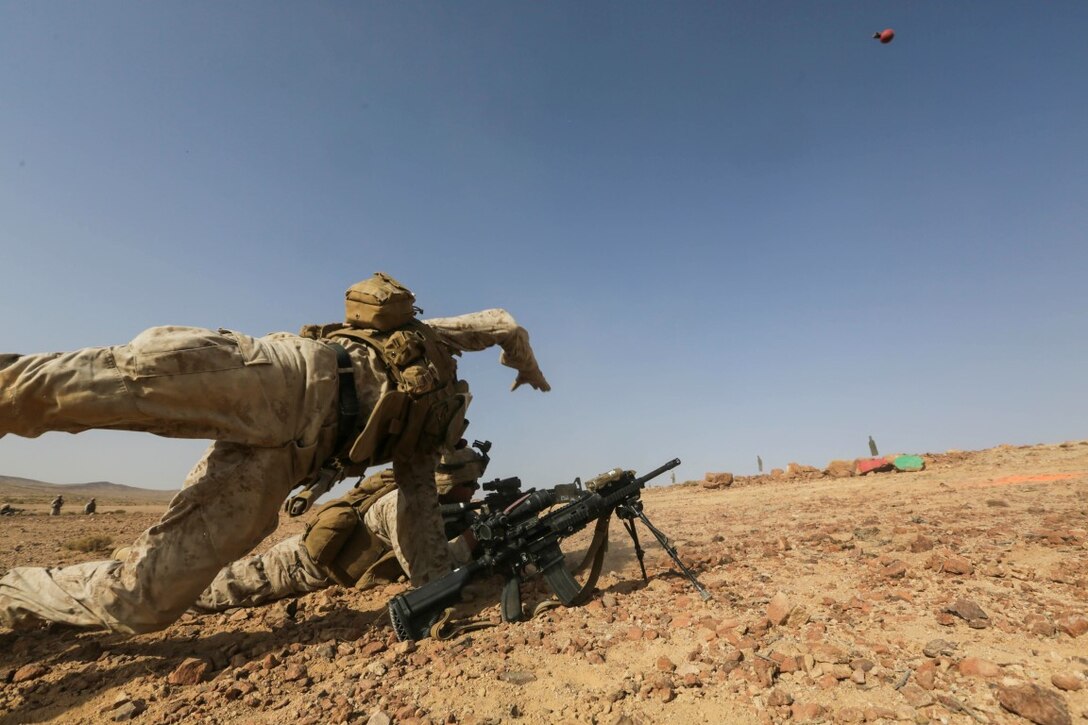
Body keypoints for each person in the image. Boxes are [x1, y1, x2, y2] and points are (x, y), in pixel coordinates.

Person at [0, 272, 549, 634]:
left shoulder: (418, 449)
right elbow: (501, 321)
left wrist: (440, 598)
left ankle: (11, 597)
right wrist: (525, 363)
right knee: (64, 391)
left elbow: (420, 525)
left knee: (144, 601)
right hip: (284, 375)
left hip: (283, 463)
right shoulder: (432, 338)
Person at [190, 444, 487, 613]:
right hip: (297, 565)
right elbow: (431, 575)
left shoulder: (431, 504)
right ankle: (155, 596)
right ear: (447, 484)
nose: (474, 491)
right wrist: (472, 540)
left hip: (316, 566)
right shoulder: (403, 504)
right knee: (213, 592)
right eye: (469, 484)